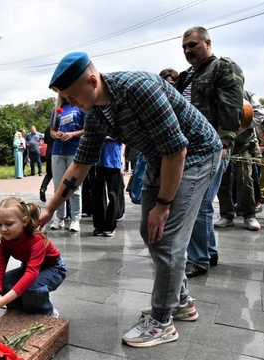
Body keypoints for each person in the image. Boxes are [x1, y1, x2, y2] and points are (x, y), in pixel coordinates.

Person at [42, 52, 222, 348]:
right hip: (158, 157)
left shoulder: (139, 89)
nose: (72, 103)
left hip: (196, 154)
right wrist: (49, 209)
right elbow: (81, 164)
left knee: (166, 238)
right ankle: (180, 301)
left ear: (92, 80)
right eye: (67, 98)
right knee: (148, 232)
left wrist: (163, 205)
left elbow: (178, 151)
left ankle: (162, 322)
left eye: (74, 96)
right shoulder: (97, 113)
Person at [172, 26, 244, 278]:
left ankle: (199, 259)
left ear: (208, 42)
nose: (187, 50)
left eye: (192, 45)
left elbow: (232, 108)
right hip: (189, 150)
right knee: (200, 203)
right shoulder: (185, 76)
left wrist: (224, 143)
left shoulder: (224, 67)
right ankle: (209, 252)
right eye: (184, 47)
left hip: (213, 148)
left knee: (199, 202)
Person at [0, 197, 66, 317]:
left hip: (54, 269)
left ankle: (47, 313)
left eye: (9, 224)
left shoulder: (36, 240)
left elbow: (31, 273)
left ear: (24, 221)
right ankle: (18, 313)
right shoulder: (6, 240)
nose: (3, 229)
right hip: (30, 267)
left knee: (31, 288)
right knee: (5, 281)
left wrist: (2, 301)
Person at [215, 91, 264, 234]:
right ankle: (226, 215)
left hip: (244, 145)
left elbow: (259, 115)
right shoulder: (216, 94)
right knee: (222, 180)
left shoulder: (248, 95)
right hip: (222, 144)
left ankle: (249, 215)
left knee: (245, 179)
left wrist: (241, 126)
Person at [49, 95, 85, 233]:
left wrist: (72, 134)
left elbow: (86, 129)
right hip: (58, 151)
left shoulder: (80, 107)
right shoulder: (57, 109)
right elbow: (51, 130)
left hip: (74, 151)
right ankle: (59, 218)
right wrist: (56, 134)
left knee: (74, 187)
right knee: (58, 187)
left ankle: (75, 219)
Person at [90, 138, 123, 237]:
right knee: (97, 193)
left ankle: (110, 225)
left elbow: (122, 135)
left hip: (112, 159)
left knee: (113, 195)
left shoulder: (119, 122)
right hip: (96, 160)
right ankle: (99, 225)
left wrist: (104, 136)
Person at [39, 122, 55, 202]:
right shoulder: (60, 126)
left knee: (49, 174)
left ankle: (43, 188)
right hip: (57, 153)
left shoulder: (48, 127)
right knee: (60, 175)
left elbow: (45, 141)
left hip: (48, 153)